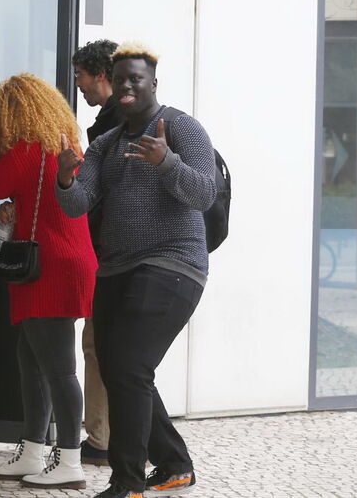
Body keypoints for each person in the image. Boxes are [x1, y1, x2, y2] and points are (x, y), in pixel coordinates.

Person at [55, 43, 217, 498]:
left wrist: (165, 161)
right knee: (121, 368)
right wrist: (66, 178)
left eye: (136, 79)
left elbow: (205, 194)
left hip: (173, 263)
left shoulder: (182, 128)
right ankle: (173, 464)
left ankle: (127, 482)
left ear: (152, 85)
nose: (127, 86)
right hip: (116, 268)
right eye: (121, 78)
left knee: (127, 364)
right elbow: (78, 203)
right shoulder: (106, 143)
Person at [0, 74, 96, 490]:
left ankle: (69, 460)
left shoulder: (28, 148)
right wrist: (16, 206)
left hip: (50, 267)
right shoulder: (62, 141)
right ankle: (33, 449)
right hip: (61, 263)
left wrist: (4, 148)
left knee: (59, 368)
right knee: (32, 360)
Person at [73, 39, 119, 465]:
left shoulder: (114, 125)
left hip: (111, 252)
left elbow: (99, 195)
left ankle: (103, 440)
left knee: (98, 345)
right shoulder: (118, 119)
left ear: (100, 74)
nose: (79, 85)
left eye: (81, 76)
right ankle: (108, 438)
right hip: (113, 250)